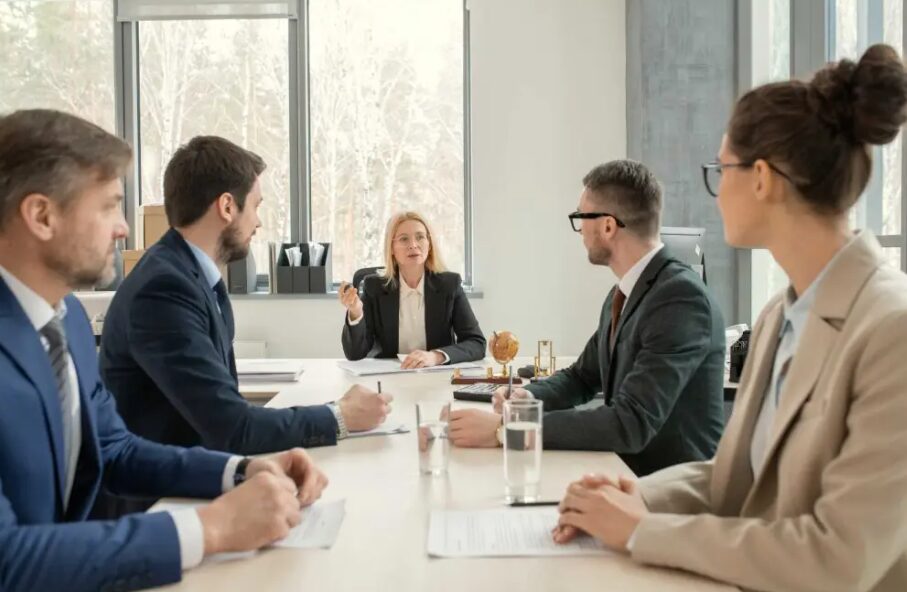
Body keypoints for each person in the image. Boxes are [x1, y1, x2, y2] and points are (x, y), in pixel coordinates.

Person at [553, 44, 907, 592]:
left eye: (722, 169)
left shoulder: (891, 329)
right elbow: (735, 478)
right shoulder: (777, 317)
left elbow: (838, 558)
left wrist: (644, 531)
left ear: (761, 178)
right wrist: (638, 495)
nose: (716, 193)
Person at [0, 108, 329, 592]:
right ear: (42, 216)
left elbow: (115, 449)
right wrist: (211, 528)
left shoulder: (63, 316)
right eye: (110, 206)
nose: (124, 229)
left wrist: (239, 470)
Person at [98, 137, 390, 514]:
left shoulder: (192, 277)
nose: (258, 221)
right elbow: (232, 427)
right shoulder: (164, 289)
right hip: (159, 506)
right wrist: (339, 416)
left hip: (197, 482)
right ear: (226, 206)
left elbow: (226, 418)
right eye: (255, 206)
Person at [448, 160, 725, 476]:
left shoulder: (680, 300)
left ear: (607, 226)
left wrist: (506, 427)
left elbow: (630, 423)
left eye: (580, 218)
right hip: (624, 474)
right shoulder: (623, 293)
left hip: (670, 493)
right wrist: (529, 396)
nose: (579, 230)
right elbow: (582, 377)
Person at [339, 211, 486, 369]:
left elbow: (476, 343)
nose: (413, 245)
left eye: (420, 237)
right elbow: (355, 354)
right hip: (389, 378)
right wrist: (356, 313)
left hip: (436, 377)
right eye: (404, 239)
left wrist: (436, 356)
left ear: (429, 245)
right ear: (392, 249)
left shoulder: (450, 285)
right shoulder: (374, 287)